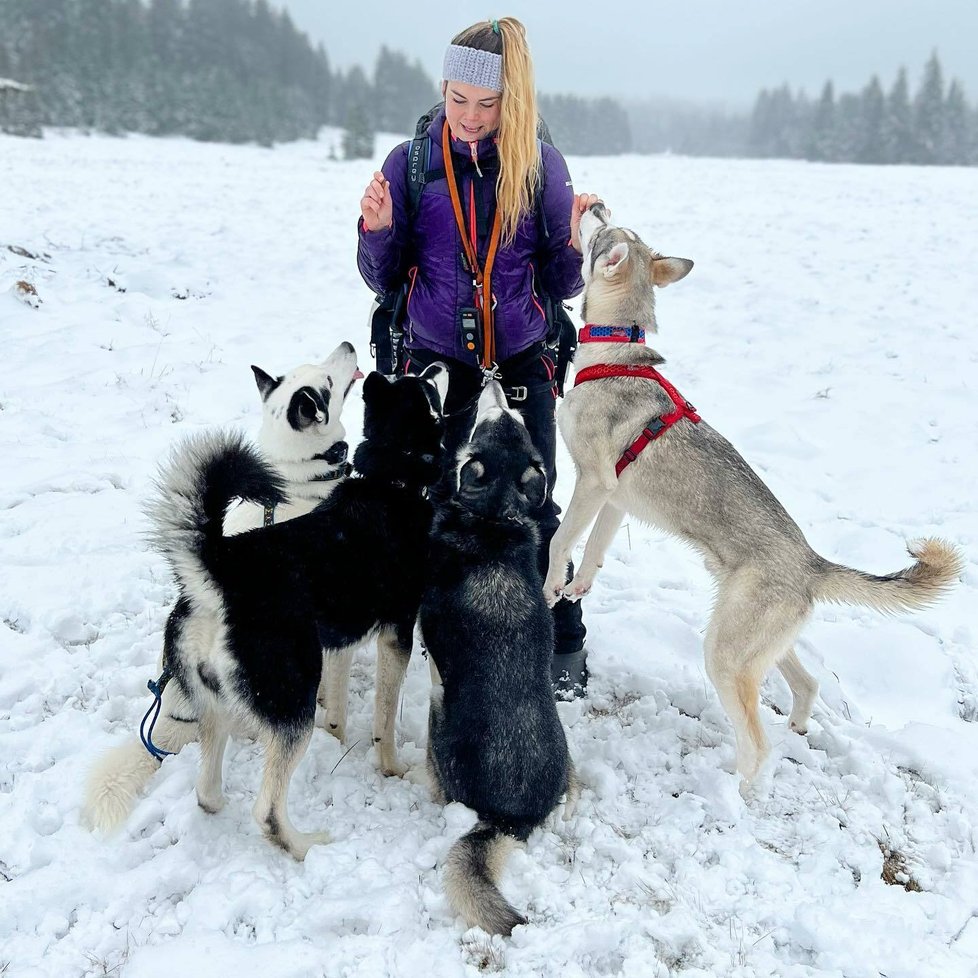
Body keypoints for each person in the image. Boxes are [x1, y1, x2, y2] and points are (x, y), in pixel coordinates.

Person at [357, 16, 598, 695]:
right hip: (437, 361)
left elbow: (559, 282)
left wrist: (575, 250)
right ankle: (445, 644)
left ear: (510, 102)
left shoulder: (541, 166)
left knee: (536, 501)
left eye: (485, 103)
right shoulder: (409, 163)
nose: (468, 116)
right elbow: (384, 277)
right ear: (443, 88)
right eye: (457, 98)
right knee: (437, 501)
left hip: (522, 356)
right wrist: (374, 235)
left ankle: (560, 645)